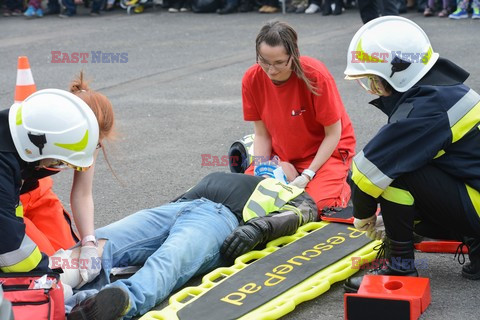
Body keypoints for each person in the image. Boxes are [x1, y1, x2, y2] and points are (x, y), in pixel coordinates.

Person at [341, 16, 480, 293]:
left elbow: (365, 172)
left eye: (372, 82)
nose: (373, 90)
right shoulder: (445, 91)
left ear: (397, 74)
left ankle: (400, 265)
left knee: (395, 173)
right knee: (417, 163)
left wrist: (364, 215)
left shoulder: (425, 111)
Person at [60, 172, 318, 320]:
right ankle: (50, 287)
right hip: (175, 209)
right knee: (105, 239)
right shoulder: (235, 175)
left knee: (169, 260)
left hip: (221, 218)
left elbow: (305, 211)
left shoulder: (291, 191)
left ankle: (99, 308)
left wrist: (258, 229)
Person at [0, 73, 115, 291]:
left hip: (38, 194)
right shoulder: (50, 129)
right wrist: (50, 278)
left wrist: (89, 242)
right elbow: (14, 251)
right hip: (11, 199)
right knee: (36, 262)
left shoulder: (85, 141)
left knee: (68, 251)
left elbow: (82, 193)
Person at [242, 20, 356, 213]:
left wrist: (308, 175)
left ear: (293, 55)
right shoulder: (252, 78)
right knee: (246, 194)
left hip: (327, 154)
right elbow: (261, 134)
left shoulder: (315, 75)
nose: (271, 70)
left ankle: (343, 184)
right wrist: (264, 169)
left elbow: (333, 134)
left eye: (279, 63)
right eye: (264, 61)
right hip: (282, 156)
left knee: (315, 206)